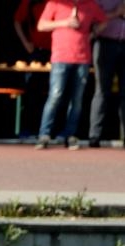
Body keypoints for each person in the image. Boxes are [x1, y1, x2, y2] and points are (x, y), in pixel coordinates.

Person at [35, 0, 107, 150]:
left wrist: (92, 34)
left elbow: (104, 21)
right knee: (55, 95)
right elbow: (41, 25)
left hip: (82, 58)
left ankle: (70, 135)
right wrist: (65, 23)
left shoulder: (90, 5)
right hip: (60, 57)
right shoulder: (56, 3)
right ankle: (44, 134)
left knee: (77, 100)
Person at [88, 0, 125, 147]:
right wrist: (116, 13)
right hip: (105, 43)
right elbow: (91, 19)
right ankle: (94, 136)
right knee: (102, 91)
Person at [14, 0, 52, 138]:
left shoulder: (58, 2)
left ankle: (48, 130)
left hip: (56, 52)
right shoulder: (29, 2)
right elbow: (17, 21)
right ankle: (27, 129)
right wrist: (26, 43)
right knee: (31, 91)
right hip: (36, 51)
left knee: (53, 93)